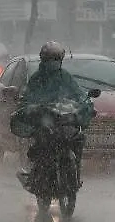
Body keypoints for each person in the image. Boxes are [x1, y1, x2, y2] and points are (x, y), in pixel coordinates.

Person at [13, 41, 94, 176]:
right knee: (39, 145)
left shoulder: (65, 77)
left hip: (62, 122)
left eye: (56, 59)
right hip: (44, 123)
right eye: (50, 59)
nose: (53, 62)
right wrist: (31, 108)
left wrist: (85, 104)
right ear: (43, 59)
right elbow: (27, 98)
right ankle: (37, 176)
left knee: (77, 138)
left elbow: (78, 93)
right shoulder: (36, 79)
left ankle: (74, 175)